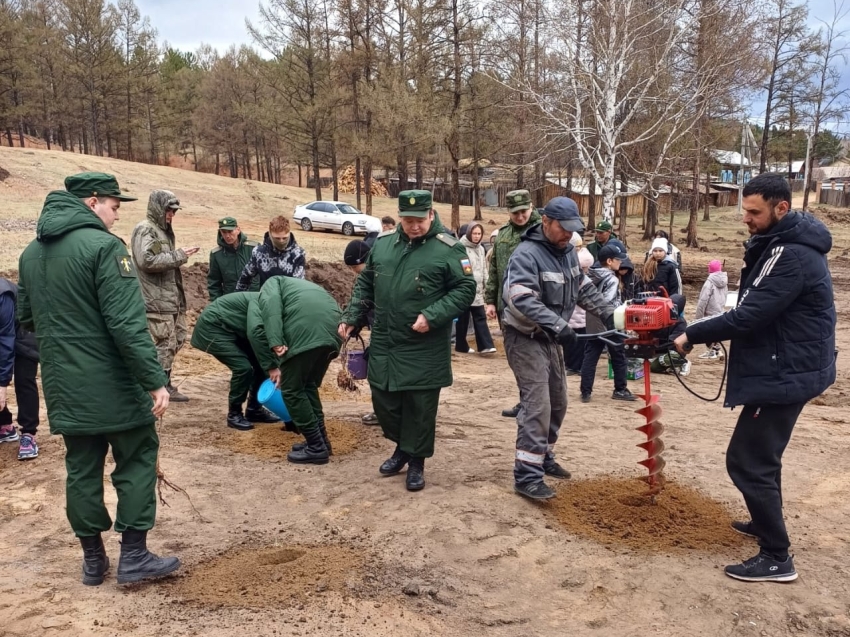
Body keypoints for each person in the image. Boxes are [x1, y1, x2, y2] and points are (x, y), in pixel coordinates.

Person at [17, 172, 178, 586]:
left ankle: (93, 561)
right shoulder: (107, 248)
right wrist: (155, 380)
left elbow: (27, 320)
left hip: (64, 388)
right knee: (138, 459)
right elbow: (127, 325)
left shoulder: (31, 254)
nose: (116, 215)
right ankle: (135, 556)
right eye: (114, 206)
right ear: (92, 202)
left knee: (81, 469)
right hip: (115, 386)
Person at [674, 173, 836, 583]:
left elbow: (749, 315)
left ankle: (777, 557)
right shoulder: (780, 245)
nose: (745, 218)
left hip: (786, 372)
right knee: (764, 458)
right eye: (744, 210)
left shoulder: (792, 255)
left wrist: (691, 334)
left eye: (753, 212)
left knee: (746, 461)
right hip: (788, 365)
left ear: (781, 208)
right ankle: (765, 526)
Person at [339, 190, 476, 491]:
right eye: (407, 220)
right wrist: (352, 317)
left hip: (423, 343)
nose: (413, 226)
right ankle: (403, 445)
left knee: (420, 406)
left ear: (431, 215)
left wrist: (433, 315)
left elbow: (465, 289)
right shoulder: (385, 245)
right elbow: (366, 282)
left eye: (419, 220)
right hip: (387, 339)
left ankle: (416, 461)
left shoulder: (449, 249)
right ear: (400, 217)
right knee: (384, 399)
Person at [501, 197, 617, 500]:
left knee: (558, 401)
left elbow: (582, 288)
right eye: (562, 228)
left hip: (550, 336)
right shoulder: (526, 254)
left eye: (572, 230)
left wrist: (609, 313)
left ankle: (543, 455)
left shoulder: (567, 253)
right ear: (546, 222)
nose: (568, 234)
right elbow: (521, 298)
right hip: (524, 336)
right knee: (537, 403)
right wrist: (560, 326)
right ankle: (526, 476)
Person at [258, 277, 342, 464]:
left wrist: (276, 341)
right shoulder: (300, 286)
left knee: (292, 389)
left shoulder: (270, 283)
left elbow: (271, 309)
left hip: (306, 332)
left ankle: (316, 447)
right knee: (308, 385)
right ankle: (322, 442)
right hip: (333, 334)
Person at [131, 190, 197, 403]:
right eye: (169, 210)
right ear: (159, 208)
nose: (172, 215)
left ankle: (161, 382)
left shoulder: (162, 231)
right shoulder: (145, 230)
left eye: (174, 211)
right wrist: (180, 255)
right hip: (155, 301)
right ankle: (158, 386)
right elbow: (147, 261)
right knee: (163, 343)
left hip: (170, 300)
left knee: (176, 338)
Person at [485, 189, 542, 419]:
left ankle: (534, 403)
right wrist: (490, 300)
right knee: (515, 357)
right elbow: (495, 269)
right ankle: (525, 399)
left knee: (533, 358)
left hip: (533, 307)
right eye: (515, 213)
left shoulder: (541, 231)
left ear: (531, 207)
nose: (520, 217)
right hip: (505, 306)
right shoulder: (504, 234)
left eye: (523, 211)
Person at [190, 292, 281, 431]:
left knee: (262, 365)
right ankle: (234, 414)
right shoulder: (268, 305)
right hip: (214, 327)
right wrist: (272, 365)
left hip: (236, 329)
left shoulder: (279, 309)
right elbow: (256, 333)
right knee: (243, 368)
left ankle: (254, 410)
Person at [579, 244, 637, 403]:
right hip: (609, 321)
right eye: (618, 259)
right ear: (610, 261)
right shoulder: (611, 278)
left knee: (591, 355)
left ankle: (585, 391)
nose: (621, 263)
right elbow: (608, 302)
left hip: (592, 320)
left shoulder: (589, 274)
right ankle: (620, 389)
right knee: (619, 354)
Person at [0, 278, 40, 460]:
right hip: (5, 336)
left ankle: (29, 434)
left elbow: (6, 338)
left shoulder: (2, 295)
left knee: (24, 380)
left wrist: (2, 384)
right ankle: (5, 425)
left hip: (24, 333)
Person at [343, 239, 379, 427]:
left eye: (355, 266)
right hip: (377, 332)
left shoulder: (381, 277)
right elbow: (364, 304)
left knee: (382, 375)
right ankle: (381, 412)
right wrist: (355, 324)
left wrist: (378, 344)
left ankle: (389, 415)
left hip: (389, 335)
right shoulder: (365, 279)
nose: (354, 271)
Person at [236, 216, 306, 291]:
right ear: (270, 235)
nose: (281, 241)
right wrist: (237, 298)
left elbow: (298, 285)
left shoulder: (298, 254)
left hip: (288, 299)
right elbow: (245, 278)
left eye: (285, 238)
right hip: (265, 298)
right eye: (277, 238)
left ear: (289, 233)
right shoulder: (259, 253)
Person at [456, 223, 496, 354]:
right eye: (474, 233)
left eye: (479, 234)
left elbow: (484, 267)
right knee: (463, 319)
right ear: (469, 234)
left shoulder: (481, 249)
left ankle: (485, 345)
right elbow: (464, 268)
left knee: (480, 316)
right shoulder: (461, 248)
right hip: (466, 288)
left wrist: (487, 283)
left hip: (478, 289)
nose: (477, 236)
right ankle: (461, 345)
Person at [207, 217, 259, 301]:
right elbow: (214, 283)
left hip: (254, 300)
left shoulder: (254, 248)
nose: (227, 236)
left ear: (238, 230)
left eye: (230, 231)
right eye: (224, 232)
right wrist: (218, 305)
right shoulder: (217, 254)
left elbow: (265, 275)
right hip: (231, 302)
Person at [564, 246, 595, 375]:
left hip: (583, 318)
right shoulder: (571, 278)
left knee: (582, 343)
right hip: (572, 317)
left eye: (587, 268)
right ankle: (571, 365)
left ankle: (580, 365)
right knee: (571, 344)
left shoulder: (589, 279)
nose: (585, 270)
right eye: (583, 268)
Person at [648, 294, 690, 376]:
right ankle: (670, 366)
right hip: (656, 350)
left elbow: (671, 343)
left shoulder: (681, 323)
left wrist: (654, 347)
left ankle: (683, 362)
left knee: (654, 367)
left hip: (672, 351)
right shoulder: (658, 317)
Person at [695, 259, 728, 359]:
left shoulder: (709, 282)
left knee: (707, 331)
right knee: (716, 331)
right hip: (719, 309)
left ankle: (712, 351)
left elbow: (703, 299)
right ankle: (717, 350)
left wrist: (699, 316)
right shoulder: (724, 280)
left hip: (709, 310)